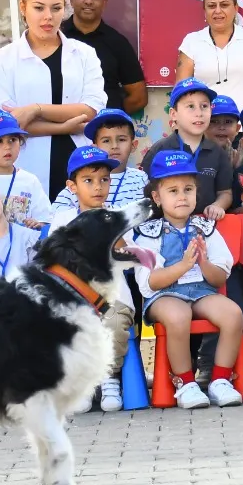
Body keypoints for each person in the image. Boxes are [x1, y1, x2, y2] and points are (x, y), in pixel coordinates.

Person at [128, 150, 243, 410]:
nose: (182, 196)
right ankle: (186, 383)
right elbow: (149, 283)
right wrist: (183, 265)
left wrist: (202, 262)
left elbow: (220, 276)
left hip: (201, 291)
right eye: (173, 191)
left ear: (197, 193)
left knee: (233, 314)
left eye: (188, 189)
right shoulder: (148, 234)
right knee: (179, 316)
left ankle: (221, 380)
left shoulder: (206, 229)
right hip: (164, 295)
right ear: (157, 197)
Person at [0, 0, 106, 204]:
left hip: (77, 166)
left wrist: (34, 110)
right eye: (39, 8)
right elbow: (2, 125)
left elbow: (90, 110)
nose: (48, 17)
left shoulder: (84, 54)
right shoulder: (3, 60)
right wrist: (64, 126)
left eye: (56, 8)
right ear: (23, 7)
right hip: (23, 166)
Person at [46, 146, 138, 412]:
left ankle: (108, 377)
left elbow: (129, 258)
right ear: (71, 186)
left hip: (113, 298)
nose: (98, 187)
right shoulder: (63, 218)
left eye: (104, 180)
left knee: (114, 321)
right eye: (88, 181)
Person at [139, 79, 233, 220]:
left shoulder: (217, 152)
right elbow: (145, 194)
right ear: (173, 114)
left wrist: (218, 205)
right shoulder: (159, 150)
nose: (199, 113)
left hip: (206, 226)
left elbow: (225, 192)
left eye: (204, 106)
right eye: (190, 106)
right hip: (165, 227)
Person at [62, 0, 148, 114]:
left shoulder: (118, 43)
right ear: (71, 0)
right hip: (61, 129)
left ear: (104, 3)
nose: (88, 1)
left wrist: (109, 117)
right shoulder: (56, 37)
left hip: (103, 131)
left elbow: (138, 98)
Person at [49, 109, 150, 226]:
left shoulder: (139, 178)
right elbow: (57, 213)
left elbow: (144, 216)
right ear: (95, 147)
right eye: (106, 141)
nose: (114, 146)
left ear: (133, 145)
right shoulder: (82, 178)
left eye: (121, 140)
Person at [0, 109, 49, 228]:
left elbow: (45, 219)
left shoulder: (30, 181)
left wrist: (38, 224)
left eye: (12, 140)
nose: (7, 147)